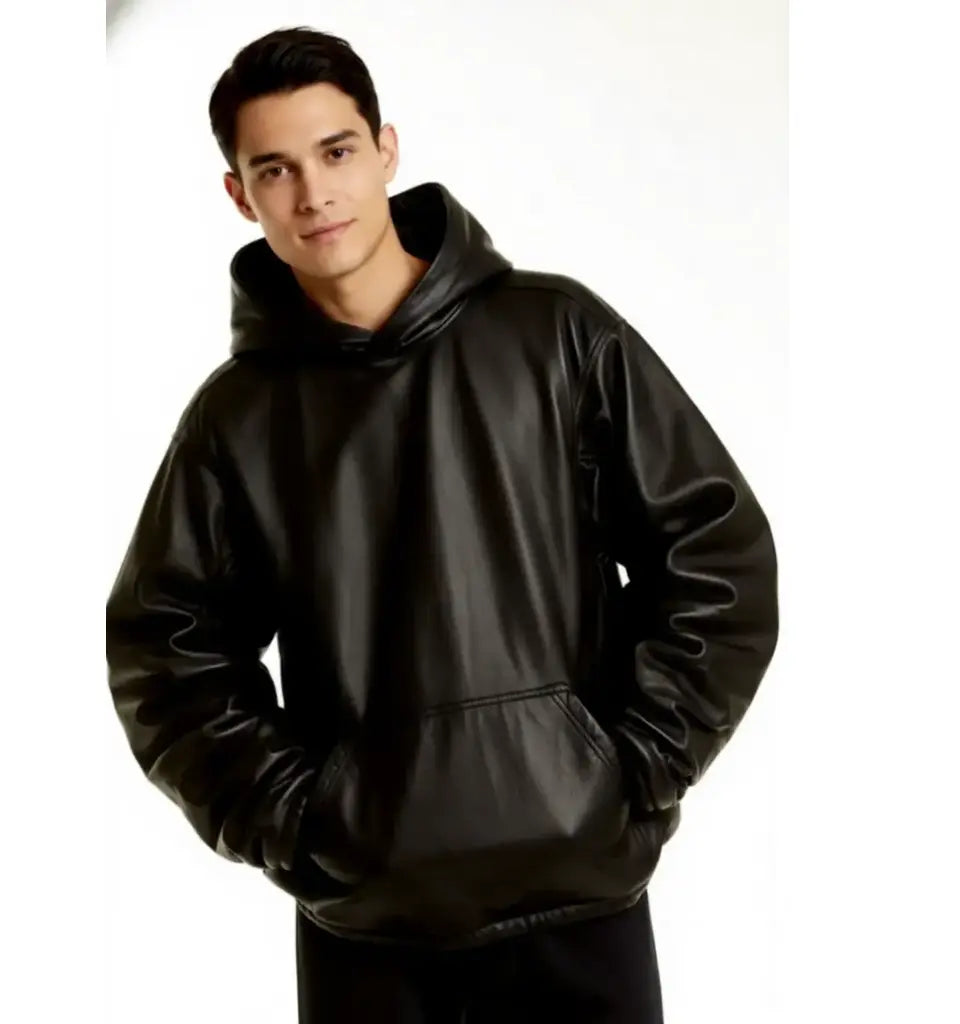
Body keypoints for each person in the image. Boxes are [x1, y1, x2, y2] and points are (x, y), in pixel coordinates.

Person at [105, 25, 780, 1024]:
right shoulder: (236, 419)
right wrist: (297, 821)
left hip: (580, 901)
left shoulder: (557, 335)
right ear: (240, 197)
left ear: (386, 150)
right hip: (371, 928)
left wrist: (634, 766)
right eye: (276, 170)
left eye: (336, 151)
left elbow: (717, 555)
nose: (314, 193)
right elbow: (165, 653)